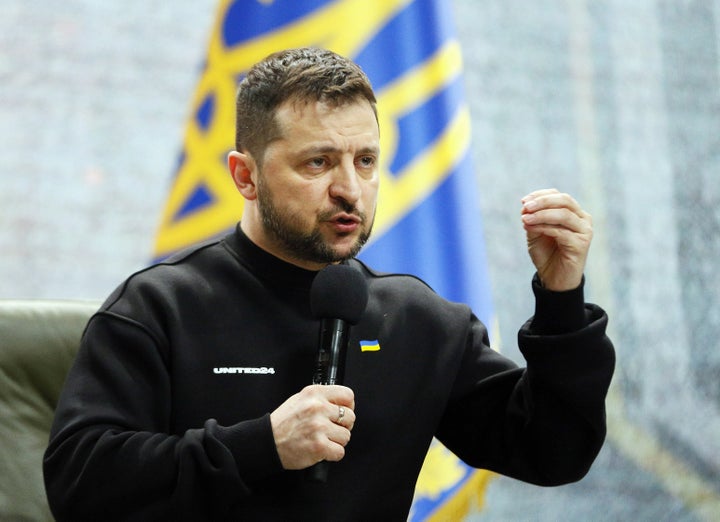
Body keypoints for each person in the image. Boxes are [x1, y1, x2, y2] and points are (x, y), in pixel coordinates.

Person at [43, 47, 615, 521]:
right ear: (245, 176)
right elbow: (79, 484)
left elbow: (553, 451)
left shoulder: (419, 321)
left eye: (365, 161)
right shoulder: (157, 307)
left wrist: (561, 300)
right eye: (319, 163)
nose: (350, 189)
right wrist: (261, 445)